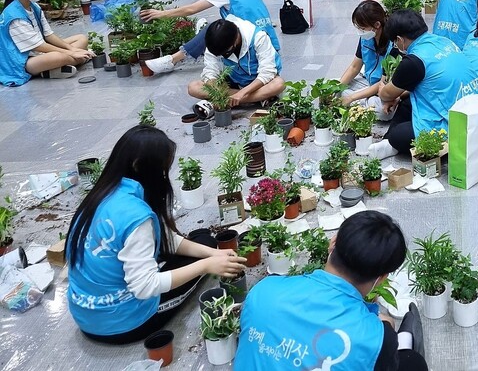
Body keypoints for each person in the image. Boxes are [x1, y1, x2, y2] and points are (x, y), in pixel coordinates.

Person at [66, 126, 246, 344]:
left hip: (86, 312)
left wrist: (213, 253)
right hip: (123, 322)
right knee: (199, 254)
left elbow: (162, 237)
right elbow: (144, 287)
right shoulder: (136, 216)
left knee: (204, 240)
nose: (164, 177)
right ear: (141, 167)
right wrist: (206, 265)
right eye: (163, 170)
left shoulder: (104, 193)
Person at [235, 211, 428, 371]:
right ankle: (405, 341)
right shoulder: (373, 339)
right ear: (382, 278)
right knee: (412, 363)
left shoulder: (264, 291)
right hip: (379, 342)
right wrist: (383, 330)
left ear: (332, 242)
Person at [140, 0, 280, 74]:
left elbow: (191, 9)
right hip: (269, 43)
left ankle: (172, 60)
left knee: (213, 28)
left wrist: (160, 14)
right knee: (218, 27)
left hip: (250, 45)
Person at [368, 10, 478, 159]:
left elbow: (386, 94)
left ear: (399, 39)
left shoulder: (414, 60)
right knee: (406, 101)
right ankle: (389, 142)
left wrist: (383, 88)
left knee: (398, 135)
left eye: (395, 42)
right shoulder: (443, 41)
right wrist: (398, 97)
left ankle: (392, 142)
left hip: (457, 126)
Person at [0, 0, 93, 85]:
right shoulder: (15, 17)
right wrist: (71, 52)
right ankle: (78, 59)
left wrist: (71, 49)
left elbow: (48, 34)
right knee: (58, 56)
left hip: (39, 52)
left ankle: (52, 69)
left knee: (81, 39)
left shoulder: (34, 6)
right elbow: (38, 45)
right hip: (22, 61)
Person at [188, 17, 285, 107]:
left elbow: (267, 72)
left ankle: (236, 100)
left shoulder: (258, 36)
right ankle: (255, 98)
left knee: (278, 84)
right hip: (232, 83)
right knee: (194, 87)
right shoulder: (214, 43)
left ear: (235, 40)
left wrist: (241, 94)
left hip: (258, 84)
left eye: (225, 53)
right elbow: (210, 71)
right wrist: (214, 88)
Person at [339, 0, 400, 121]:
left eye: (362, 28)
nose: (360, 32)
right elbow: (354, 67)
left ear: (377, 25)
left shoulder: (394, 45)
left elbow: (383, 82)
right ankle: (365, 102)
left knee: (382, 112)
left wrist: (352, 98)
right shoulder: (366, 38)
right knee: (334, 85)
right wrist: (335, 88)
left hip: (384, 88)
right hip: (368, 81)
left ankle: (360, 102)